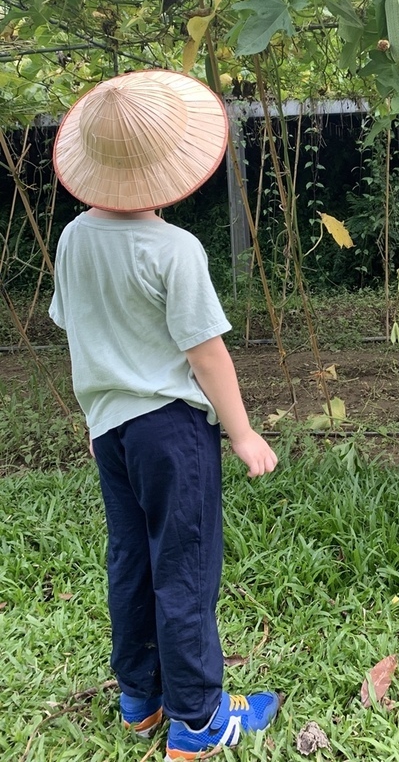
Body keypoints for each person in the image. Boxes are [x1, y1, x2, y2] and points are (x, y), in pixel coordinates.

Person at [48, 70, 280, 760]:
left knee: (131, 559)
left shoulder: (73, 240)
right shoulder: (173, 250)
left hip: (112, 431)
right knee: (183, 566)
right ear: (171, 168)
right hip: (171, 431)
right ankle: (199, 720)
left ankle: (140, 699)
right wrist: (241, 432)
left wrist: (95, 420)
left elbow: (79, 334)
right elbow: (205, 357)